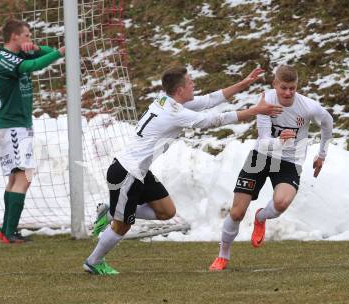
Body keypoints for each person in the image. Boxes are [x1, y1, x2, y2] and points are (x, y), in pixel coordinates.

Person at [84, 66, 283, 275]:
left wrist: (244, 83)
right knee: (122, 226)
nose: (193, 84)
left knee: (166, 212)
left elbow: (209, 100)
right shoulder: (174, 112)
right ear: (180, 90)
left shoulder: (166, 100)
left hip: (138, 172)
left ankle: (111, 209)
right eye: (190, 82)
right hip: (126, 173)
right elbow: (212, 121)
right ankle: (94, 261)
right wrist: (254, 111)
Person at [209, 65, 334, 271]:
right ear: (275, 84)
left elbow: (327, 123)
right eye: (283, 88)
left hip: (290, 160)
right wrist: (280, 141)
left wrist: (321, 155)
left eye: (292, 88)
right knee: (237, 212)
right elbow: (265, 140)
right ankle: (223, 255)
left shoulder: (309, 107)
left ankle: (260, 217)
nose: (287, 93)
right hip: (262, 156)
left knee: (282, 203)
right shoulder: (266, 101)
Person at [0, 19, 65, 243]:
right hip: (12, 125)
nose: (29, 39)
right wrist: (61, 52)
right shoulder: (3, 59)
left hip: (19, 124)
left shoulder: (20, 53)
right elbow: (34, 66)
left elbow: (46, 53)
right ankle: (10, 232)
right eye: (27, 36)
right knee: (24, 177)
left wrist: (34, 48)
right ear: (14, 36)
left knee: (17, 176)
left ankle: (7, 231)